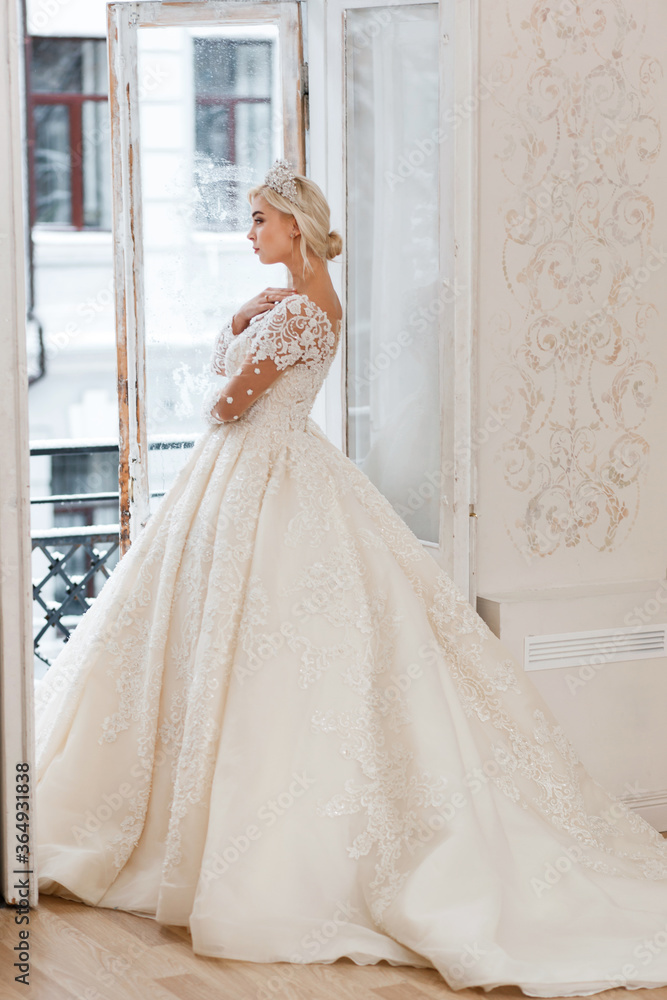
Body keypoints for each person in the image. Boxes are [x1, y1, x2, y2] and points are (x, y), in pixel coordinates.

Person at [35, 159, 667, 998]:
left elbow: (227, 406)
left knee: (264, 645)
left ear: (295, 226)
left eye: (260, 219)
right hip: (261, 474)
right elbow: (240, 382)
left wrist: (232, 349)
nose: (249, 232)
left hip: (260, 471)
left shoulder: (302, 311)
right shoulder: (301, 305)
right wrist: (238, 315)